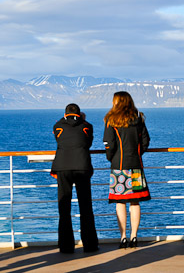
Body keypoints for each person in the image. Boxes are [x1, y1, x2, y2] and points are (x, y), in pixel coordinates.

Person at [103, 91, 150, 249]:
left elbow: (109, 143)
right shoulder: (138, 117)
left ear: (116, 102)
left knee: (120, 201)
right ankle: (134, 236)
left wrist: (111, 157)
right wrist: (137, 153)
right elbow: (145, 140)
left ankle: (123, 237)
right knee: (135, 202)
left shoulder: (111, 119)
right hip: (136, 164)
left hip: (119, 165)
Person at [51, 103, 99, 253]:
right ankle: (90, 245)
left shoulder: (58, 126)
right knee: (85, 206)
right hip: (82, 166)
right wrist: (82, 120)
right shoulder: (87, 126)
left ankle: (66, 246)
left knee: (64, 207)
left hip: (63, 167)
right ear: (80, 114)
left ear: (65, 114)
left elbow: (59, 140)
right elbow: (88, 143)